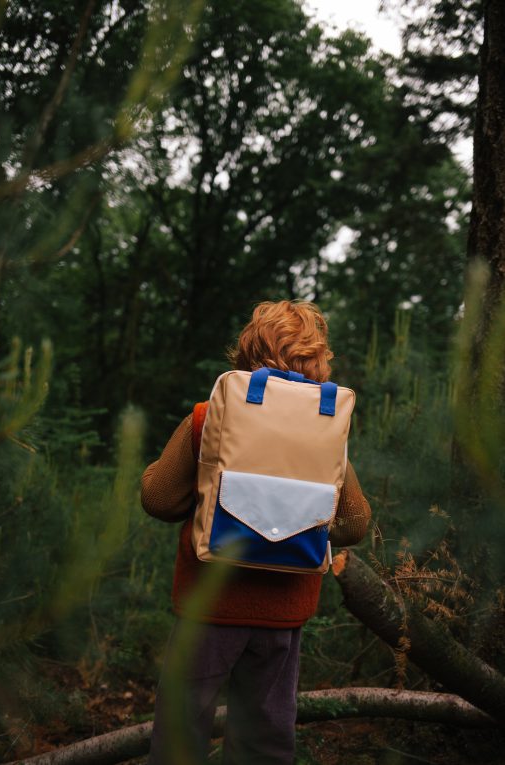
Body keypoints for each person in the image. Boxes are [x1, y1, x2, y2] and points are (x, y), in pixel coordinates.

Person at [141, 300, 371, 765]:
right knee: (264, 740)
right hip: (282, 615)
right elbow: (356, 523)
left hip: (209, 606)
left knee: (180, 734)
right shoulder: (327, 429)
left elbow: (159, 500)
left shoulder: (212, 416)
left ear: (248, 352)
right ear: (318, 359)